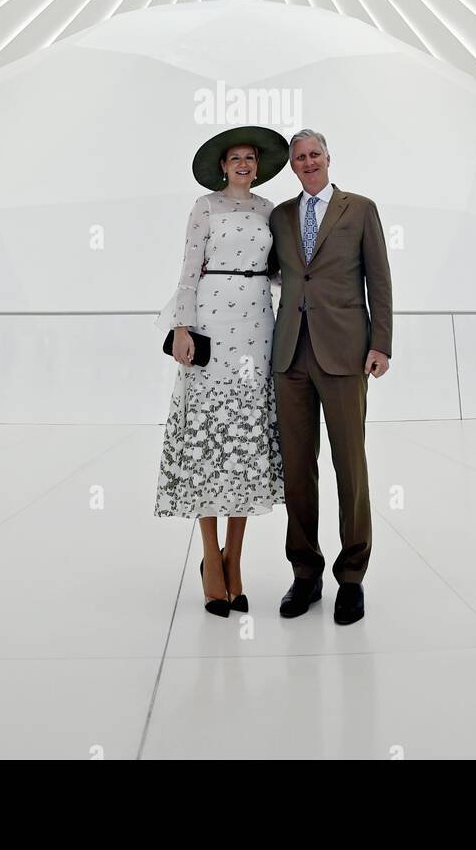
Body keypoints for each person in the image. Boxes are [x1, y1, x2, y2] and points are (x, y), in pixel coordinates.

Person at [154, 125, 289, 617]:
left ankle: (236, 556)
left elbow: (277, 270)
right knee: (211, 435)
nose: (243, 164)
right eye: (235, 157)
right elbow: (188, 270)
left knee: (245, 436)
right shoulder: (204, 207)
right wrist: (183, 327)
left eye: (250, 157)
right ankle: (211, 556)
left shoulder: (267, 211)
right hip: (212, 318)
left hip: (257, 321)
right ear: (222, 166)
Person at [268, 129, 392, 626]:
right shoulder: (279, 216)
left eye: (314, 153)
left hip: (345, 353)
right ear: (293, 166)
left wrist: (380, 342)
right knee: (298, 469)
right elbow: (269, 272)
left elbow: (379, 278)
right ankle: (305, 573)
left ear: (327, 158)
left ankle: (352, 577)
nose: (307, 161)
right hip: (290, 356)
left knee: (350, 465)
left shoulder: (359, 209)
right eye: (300, 157)